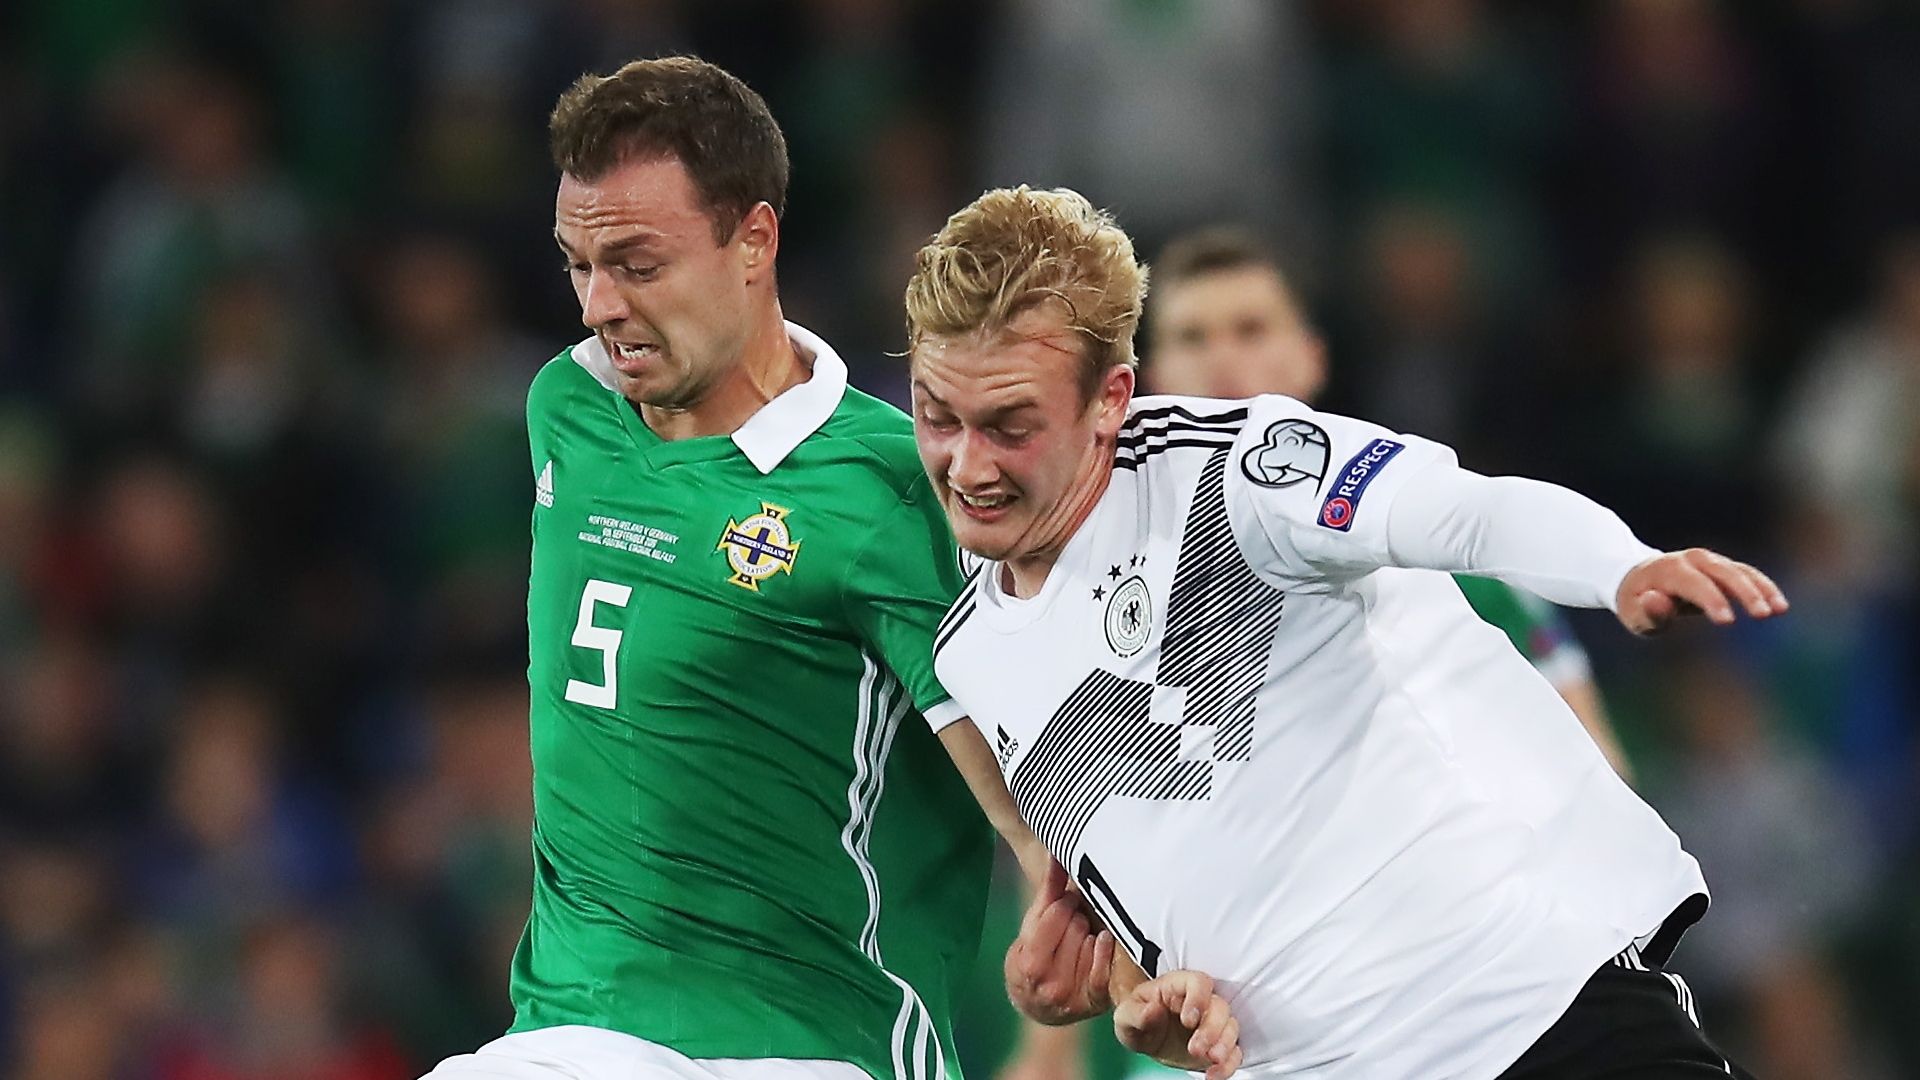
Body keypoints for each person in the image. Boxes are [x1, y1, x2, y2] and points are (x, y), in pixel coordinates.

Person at [903, 186, 1787, 1079]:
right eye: (937, 418)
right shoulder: (974, 656)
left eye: (1011, 426)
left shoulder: (1235, 470)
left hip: (1523, 1019)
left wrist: (1619, 566)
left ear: (1111, 400)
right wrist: (1142, 1008)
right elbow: (1162, 925)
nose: (967, 464)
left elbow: (1466, 512)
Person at [421, 56, 1004, 1080]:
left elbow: (1027, 772)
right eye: (577, 265)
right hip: (576, 1029)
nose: (600, 304)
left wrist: (1115, 949)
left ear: (754, 241)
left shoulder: (893, 485)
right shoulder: (567, 409)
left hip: (815, 1044)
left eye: (638, 266)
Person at [1144, 226, 1629, 778]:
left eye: (1251, 330)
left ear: (1311, 359)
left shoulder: (1433, 549)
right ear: (1154, 380)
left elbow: (1597, 764)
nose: (1222, 359)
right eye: (1191, 337)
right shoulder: (1117, 571)